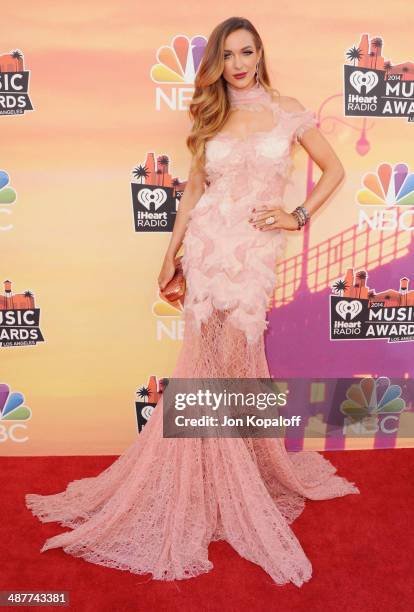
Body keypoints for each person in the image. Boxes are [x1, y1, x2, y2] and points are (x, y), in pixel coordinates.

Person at [25, 17, 359, 587]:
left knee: (235, 367)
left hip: (254, 254)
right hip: (208, 248)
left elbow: (335, 169)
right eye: (228, 54)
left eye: (247, 51)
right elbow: (194, 191)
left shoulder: (287, 109)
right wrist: (171, 252)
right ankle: (205, 484)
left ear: (260, 52)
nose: (238, 63)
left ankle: (238, 475)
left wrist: (296, 216)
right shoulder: (211, 114)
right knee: (204, 371)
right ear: (216, 62)